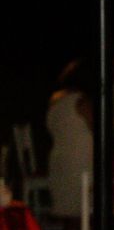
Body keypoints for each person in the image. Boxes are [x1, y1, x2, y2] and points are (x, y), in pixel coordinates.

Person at [44, 60, 93, 219]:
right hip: (79, 162)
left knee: (69, 215)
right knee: (81, 212)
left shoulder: (55, 100)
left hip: (59, 159)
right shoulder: (82, 101)